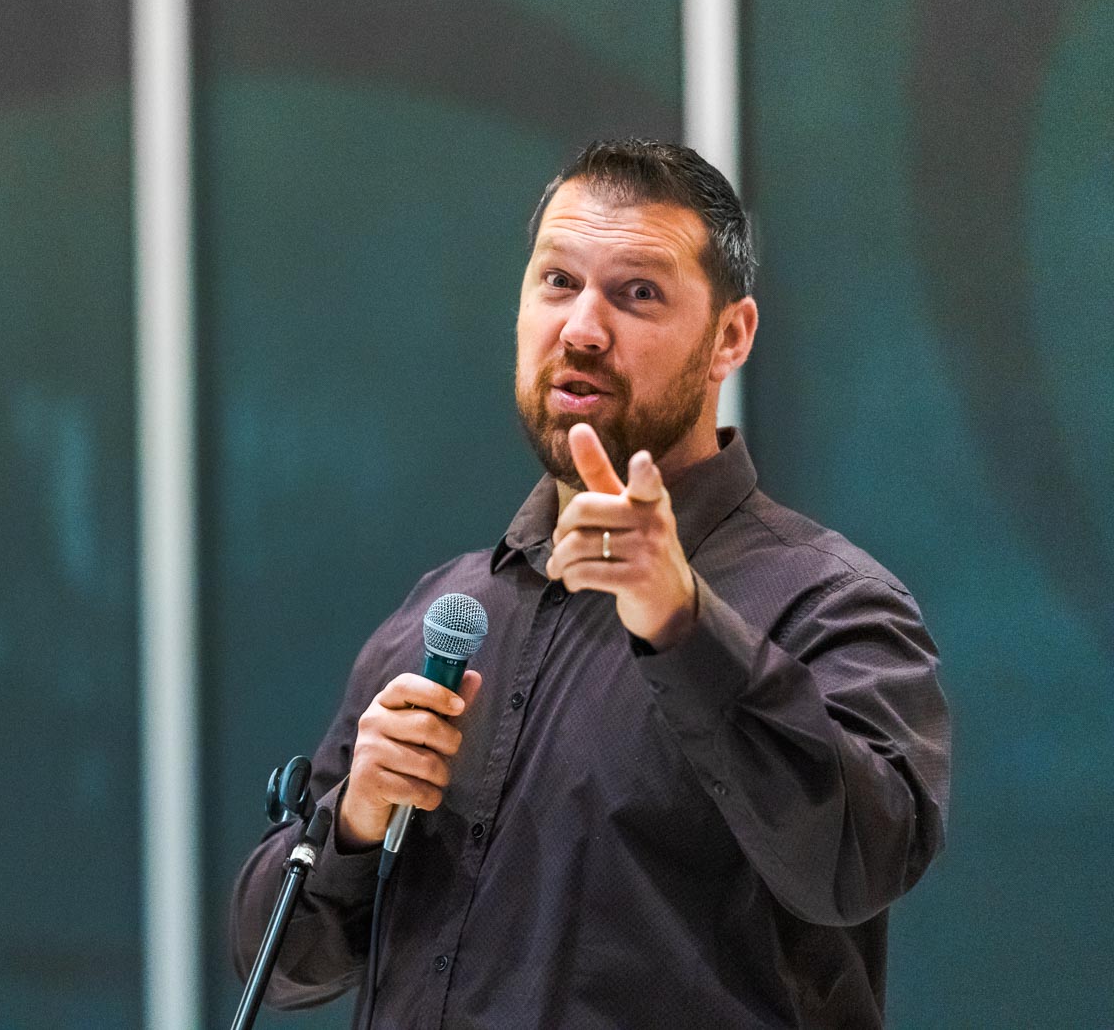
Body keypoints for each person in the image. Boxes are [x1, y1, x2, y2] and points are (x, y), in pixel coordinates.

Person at [228, 139, 950, 1028]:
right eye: (557, 282)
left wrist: (684, 623)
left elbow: (858, 864)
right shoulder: (447, 613)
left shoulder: (832, 603)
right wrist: (353, 821)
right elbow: (279, 958)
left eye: (637, 292)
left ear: (732, 335)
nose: (582, 328)